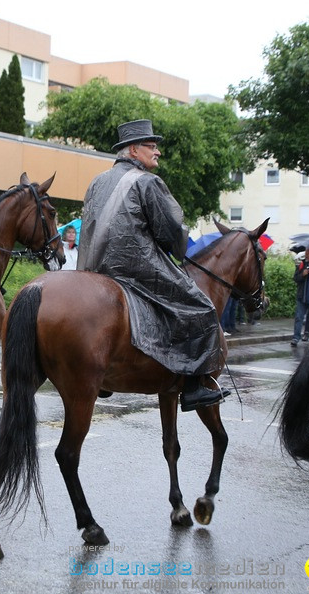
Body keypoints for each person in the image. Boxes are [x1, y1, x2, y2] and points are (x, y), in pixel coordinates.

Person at [78, 119, 226, 412]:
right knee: (201, 307)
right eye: (151, 146)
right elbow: (170, 231)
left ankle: (104, 378)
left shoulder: (97, 181)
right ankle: (195, 386)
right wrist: (180, 248)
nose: (157, 151)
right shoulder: (147, 182)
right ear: (133, 150)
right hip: (135, 267)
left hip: (92, 270)